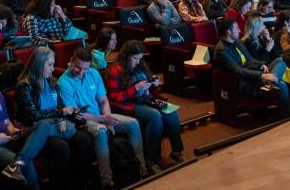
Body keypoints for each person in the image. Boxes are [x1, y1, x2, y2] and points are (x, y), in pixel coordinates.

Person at [58, 47, 148, 189]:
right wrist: (104, 120)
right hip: (84, 121)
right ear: (71, 61)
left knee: (133, 123)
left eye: (85, 69)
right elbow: (78, 114)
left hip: (102, 115)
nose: (81, 72)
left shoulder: (93, 73)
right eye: (78, 68)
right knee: (100, 131)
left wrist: (107, 118)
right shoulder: (64, 82)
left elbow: (103, 101)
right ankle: (107, 181)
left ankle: (141, 170)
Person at [13, 47, 95, 189]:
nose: (53, 68)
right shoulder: (25, 86)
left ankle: (83, 183)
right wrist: (60, 114)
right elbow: (33, 116)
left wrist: (66, 116)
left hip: (56, 124)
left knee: (84, 138)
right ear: (39, 64)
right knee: (61, 147)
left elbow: (60, 106)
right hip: (37, 130)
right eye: (50, 65)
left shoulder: (52, 81)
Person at [105, 41, 184, 168]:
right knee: (154, 116)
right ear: (126, 56)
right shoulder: (115, 70)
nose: (138, 61)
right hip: (128, 104)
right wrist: (135, 89)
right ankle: (151, 159)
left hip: (146, 99)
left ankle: (177, 151)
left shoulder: (140, 64)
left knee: (172, 111)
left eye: (140, 58)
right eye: (135, 58)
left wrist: (153, 84)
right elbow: (114, 97)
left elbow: (149, 84)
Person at [214, 18, 290, 117]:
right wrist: (262, 76)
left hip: (253, 74)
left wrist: (260, 64)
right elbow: (238, 70)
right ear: (228, 32)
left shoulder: (237, 42)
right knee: (281, 84)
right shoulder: (222, 50)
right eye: (236, 28)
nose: (239, 30)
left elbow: (250, 59)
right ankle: (288, 116)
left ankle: (269, 82)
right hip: (245, 82)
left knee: (282, 59)